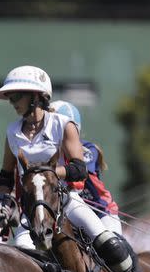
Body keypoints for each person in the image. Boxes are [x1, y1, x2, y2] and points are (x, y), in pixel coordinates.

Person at [0, 65, 150, 272]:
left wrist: (46, 173)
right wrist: (2, 200)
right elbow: (5, 175)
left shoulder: (62, 124)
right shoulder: (12, 132)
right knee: (22, 257)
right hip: (30, 212)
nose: (11, 102)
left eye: (16, 96)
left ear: (35, 96)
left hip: (66, 202)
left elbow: (78, 168)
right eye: (10, 97)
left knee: (108, 241)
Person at [49, 100, 122, 234]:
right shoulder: (49, 151)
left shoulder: (88, 149)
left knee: (113, 249)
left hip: (101, 212)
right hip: (70, 212)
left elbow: (78, 171)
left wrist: (46, 171)